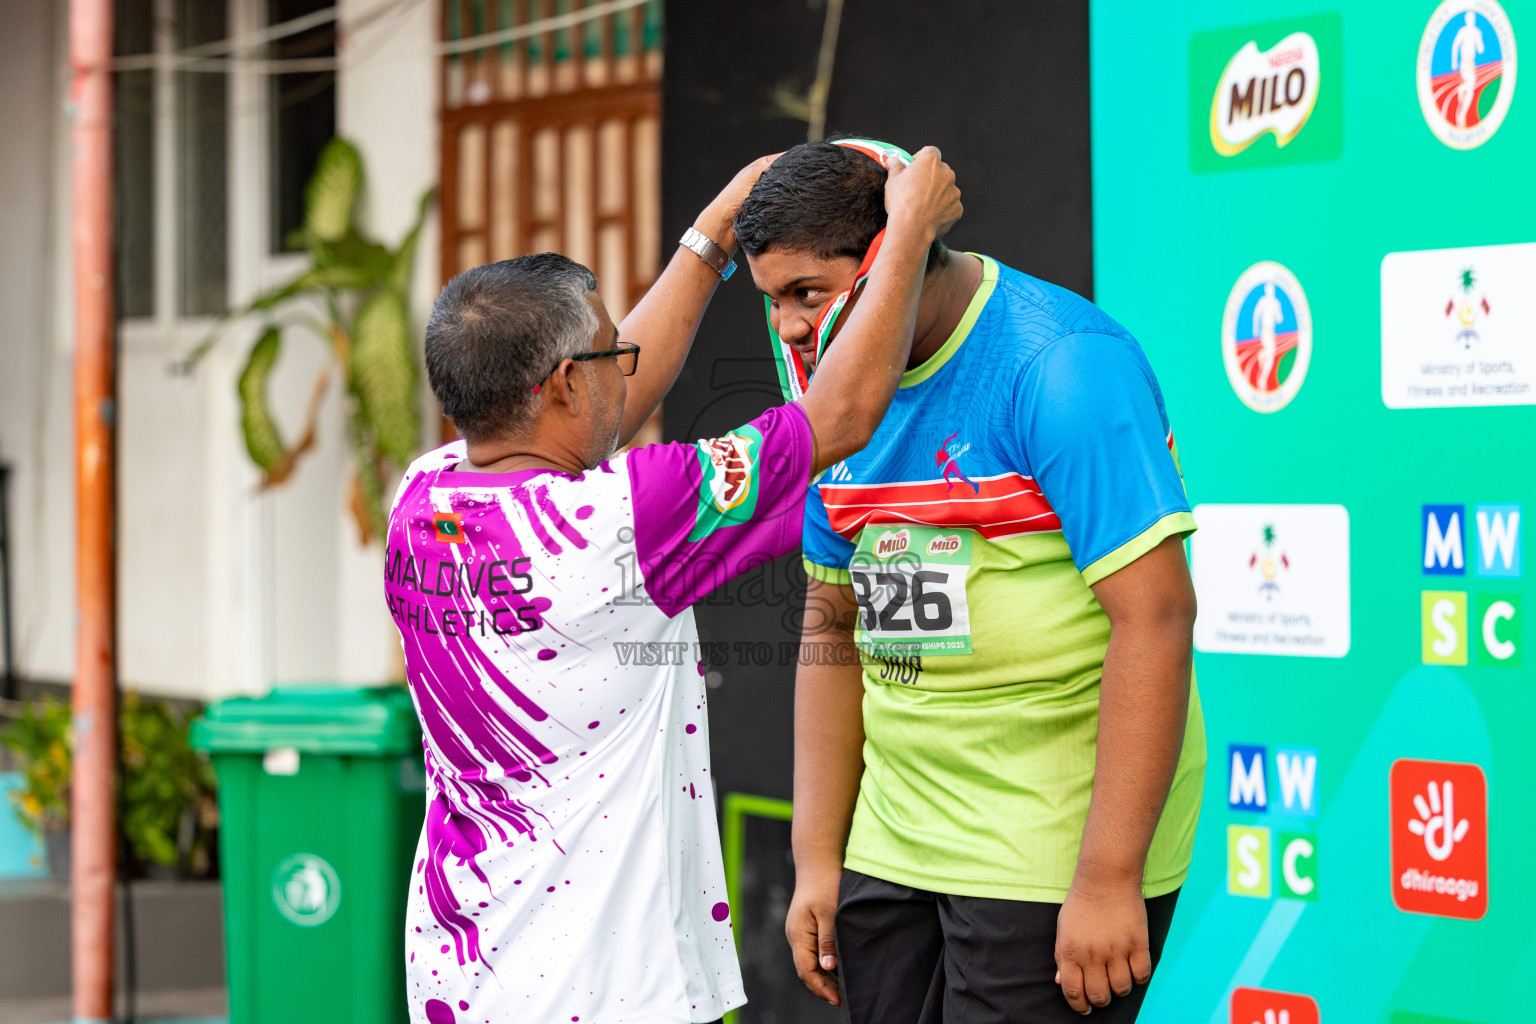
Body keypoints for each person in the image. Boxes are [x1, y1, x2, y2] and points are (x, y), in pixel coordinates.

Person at [386, 147, 961, 1024]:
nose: (626, 364)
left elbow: (603, 406)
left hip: (461, 969)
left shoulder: (424, 494)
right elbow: (841, 415)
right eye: (609, 351)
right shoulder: (625, 518)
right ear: (564, 384)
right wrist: (910, 234)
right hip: (601, 988)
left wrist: (714, 231)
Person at [734, 140, 1206, 1023]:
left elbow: (1156, 619)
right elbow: (832, 627)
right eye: (773, 300)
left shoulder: (1062, 364)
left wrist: (1109, 878)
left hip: (1047, 845)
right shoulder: (830, 405)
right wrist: (818, 859)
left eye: (808, 292)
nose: (791, 327)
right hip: (894, 840)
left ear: (898, 253)